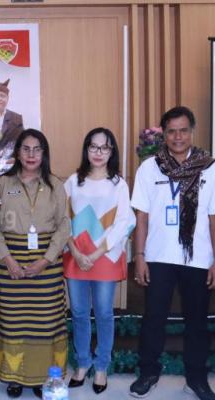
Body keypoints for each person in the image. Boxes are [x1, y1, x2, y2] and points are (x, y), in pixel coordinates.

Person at [130, 106, 215, 400]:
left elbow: (213, 218)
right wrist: (139, 256)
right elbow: (141, 217)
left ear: (192, 131)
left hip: (198, 257)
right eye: (171, 131)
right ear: (164, 134)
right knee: (153, 318)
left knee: (197, 322)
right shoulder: (149, 168)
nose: (178, 137)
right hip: (158, 256)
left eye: (183, 130)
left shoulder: (209, 167)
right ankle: (148, 373)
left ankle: (196, 379)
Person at [0, 128, 70, 399]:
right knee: (12, 323)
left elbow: (64, 225)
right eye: (26, 149)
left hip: (46, 267)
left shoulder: (55, 184)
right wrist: (7, 259)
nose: (31, 154)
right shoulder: (3, 183)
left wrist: (46, 260)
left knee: (44, 323)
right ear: (17, 152)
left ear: (44, 153)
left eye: (37, 149)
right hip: (10, 266)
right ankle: (13, 378)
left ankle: (42, 376)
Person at [63, 128, 136, 395]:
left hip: (105, 255)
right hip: (76, 256)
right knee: (79, 312)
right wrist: (75, 251)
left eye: (104, 147)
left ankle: (102, 365)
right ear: (86, 149)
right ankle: (82, 363)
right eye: (93, 147)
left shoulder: (119, 184)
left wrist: (95, 254)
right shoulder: (73, 182)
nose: (98, 152)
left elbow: (124, 222)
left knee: (104, 313)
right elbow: (63, 219)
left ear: (111, 151)